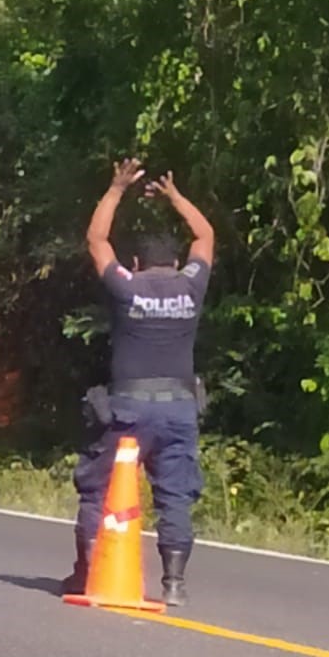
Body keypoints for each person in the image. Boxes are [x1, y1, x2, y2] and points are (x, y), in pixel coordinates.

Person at [62, 157, 215, 606]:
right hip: (179, 409)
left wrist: (116, 188)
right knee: (176, 496)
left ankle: (89, 572)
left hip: (128, 407)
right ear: (175, 262)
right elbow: (205, 236)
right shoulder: (191, 287)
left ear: (136, 263)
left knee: (98, 486)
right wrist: (175, 197)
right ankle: (174, 583)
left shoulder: (127, 288)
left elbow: (96, 239)